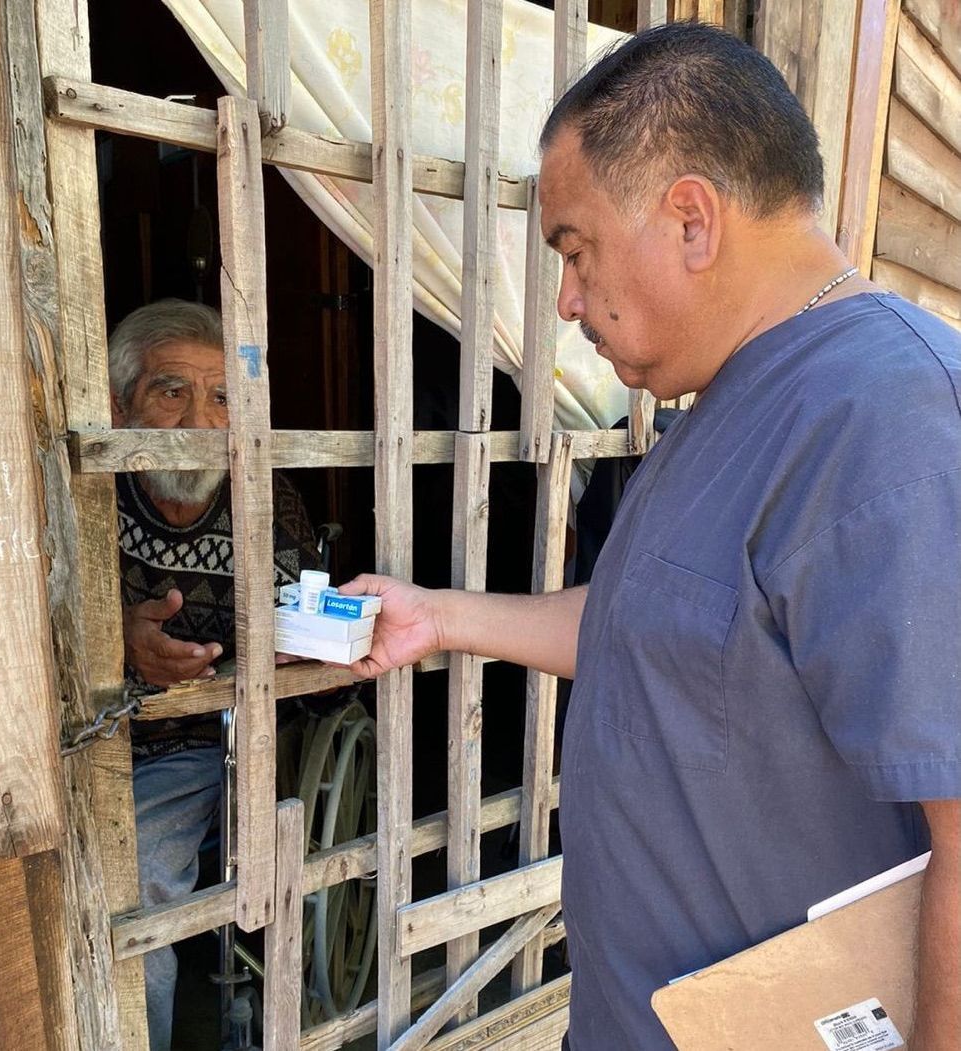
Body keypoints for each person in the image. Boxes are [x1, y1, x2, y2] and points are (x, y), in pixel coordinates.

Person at [341, 24, 960, 1051]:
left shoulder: (890, 420)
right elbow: (660, 634)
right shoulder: (726, 400)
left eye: (574, 250)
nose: (569, 299)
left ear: (689, 219)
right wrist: (439, 616)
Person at [108, 299, 323, 1051]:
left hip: (202, 744)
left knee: (131, 889)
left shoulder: (262, 497)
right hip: (87, 739)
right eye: (172, 391)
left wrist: (284, 642)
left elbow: (305, 607)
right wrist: (116, 646)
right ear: (119, 405)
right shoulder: (85, 491)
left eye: (222, 396)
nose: (202, 418)